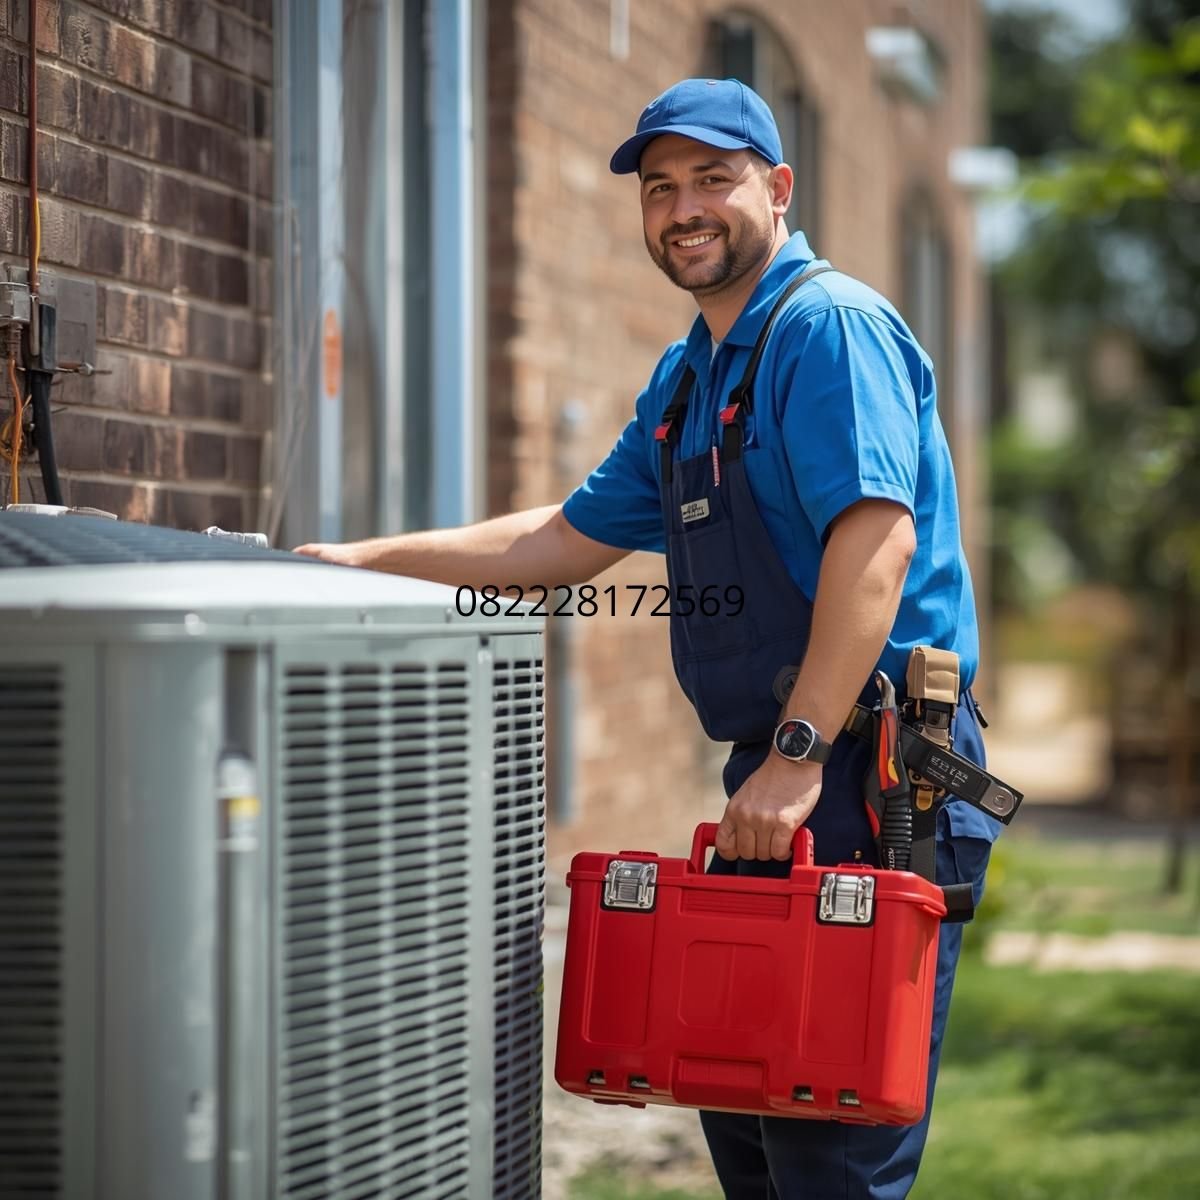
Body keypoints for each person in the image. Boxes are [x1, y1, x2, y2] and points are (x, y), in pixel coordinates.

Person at [298, 77, 999, 1200]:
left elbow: (875, 550)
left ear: (776, 188)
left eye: (712, 180)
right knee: (755, 1129)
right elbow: (558, 542)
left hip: (872, 777)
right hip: (789, 772)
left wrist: (797, 756)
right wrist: (344, 562)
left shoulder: (829, 328)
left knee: (830, 1153)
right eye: (661, 187)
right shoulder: (687, 380)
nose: (684, 209)